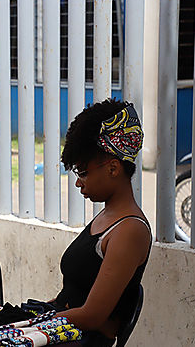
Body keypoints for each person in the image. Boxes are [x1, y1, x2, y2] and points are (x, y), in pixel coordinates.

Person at [53, 99, 151, 346]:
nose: (78, 183)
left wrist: (30, 326)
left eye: (83, 172)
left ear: (113, 168)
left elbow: (93, 316)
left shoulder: (130, 230)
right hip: (63, 333)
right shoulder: (106, 218)